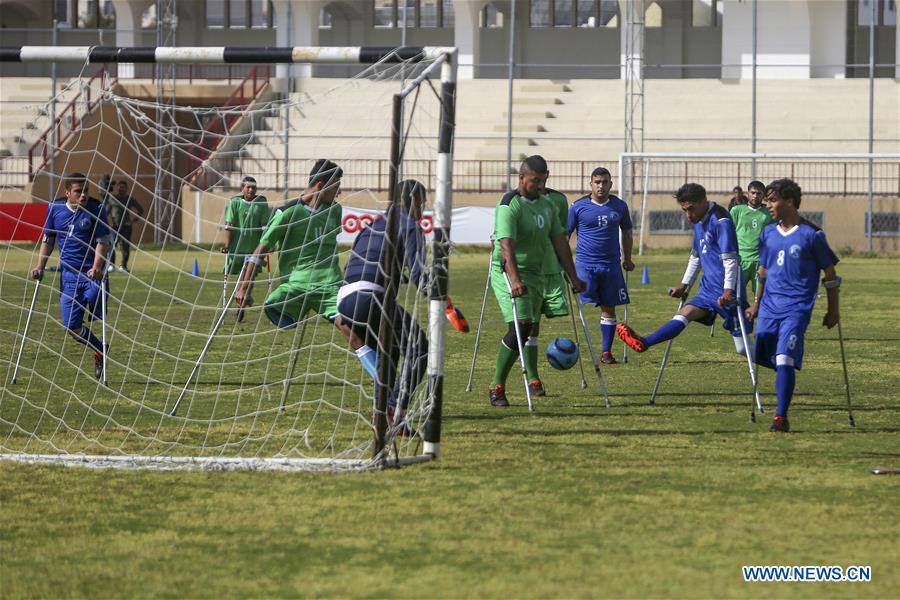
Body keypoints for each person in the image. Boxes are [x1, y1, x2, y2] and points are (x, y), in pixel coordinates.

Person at [233, 160, 368, 373]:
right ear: (321, 185)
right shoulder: (287, 213)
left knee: (353, 331)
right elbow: (259, 251)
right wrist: (244, 287)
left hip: (328, 286)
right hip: (295, 288)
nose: (339, 191)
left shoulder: (334, 210)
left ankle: (384, 385)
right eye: (335, 186)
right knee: (276, 305)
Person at [487, 155, 585, 408]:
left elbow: (560, 244)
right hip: (507, 270)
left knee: (530, 326)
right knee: (520, 326)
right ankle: (497, 386)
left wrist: (574, 278)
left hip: (536, 272)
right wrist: (516, 279)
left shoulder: (548, 206)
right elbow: (506, 244)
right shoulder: (510, 204)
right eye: (535, 181)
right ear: (521, 178)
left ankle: (531, 379)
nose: (540, 186)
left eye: (543, 181)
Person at [746, 179, 840, 433]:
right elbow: (763, 271)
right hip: (768, 308)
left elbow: (830, 274)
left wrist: (833, 310)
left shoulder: (812, 235)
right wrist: (756, 304)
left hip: (796, 308)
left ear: (789, 202)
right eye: (767, 201)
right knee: (767, 357)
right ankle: (783, 385)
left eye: (773, 200)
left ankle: (780, 417)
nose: (769, 205)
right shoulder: (768, 233)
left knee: (784, 358)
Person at [617, 183, 752, 358]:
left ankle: (780, 363)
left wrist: (728, 290)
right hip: (708, 290)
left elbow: (730, 260)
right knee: (685, 313)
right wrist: (684, 284)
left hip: (728, 293)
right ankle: (645, 342)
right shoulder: (698, 220)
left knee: (744, 349)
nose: (688, 215)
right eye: (684, 210)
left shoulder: (721, 221)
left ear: (704, 201)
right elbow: (696, 256)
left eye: (691, 209)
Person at [337, 179, 430, 433]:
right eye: (423, 203)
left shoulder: (372, 226)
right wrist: (437, 288)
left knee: (390, 352)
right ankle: (394, 408)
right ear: (414, 202)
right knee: (420, 347)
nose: (423, 209)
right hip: (369, 297)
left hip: (345, 300)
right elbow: (420, 276)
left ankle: (384, 415)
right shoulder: (410, 226)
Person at [30, 173, 111, 379]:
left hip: (93, 275)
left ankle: (99, 339)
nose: (83, 195)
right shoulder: (55, 209)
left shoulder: (97, 209)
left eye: (86, 191)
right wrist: (40, 265)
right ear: (67, 192)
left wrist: (96, 267)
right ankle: (100, 349)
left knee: (96, 307)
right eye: (78, 191)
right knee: (72, 327)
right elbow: (48, 238)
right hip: (68, 277)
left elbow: (102, 241)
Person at [567, 167, 635, 365]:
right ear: (590, 184)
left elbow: (628, 232)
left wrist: (628, 259)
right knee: (583, 305)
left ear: (610, 184)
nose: (601, 186)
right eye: (597, 182)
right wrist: (566, 265)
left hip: (611, 265)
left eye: (605, 182)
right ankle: (580, 347)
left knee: (609, 308)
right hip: (585, 266)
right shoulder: (577, 207)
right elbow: (565, 235)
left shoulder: (620, 206)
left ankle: (606, 352)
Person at [730, 180, 773, 300]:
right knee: (735, 297)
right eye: (753, 193)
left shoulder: (769, 212)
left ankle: (759, 318)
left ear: (763, 195)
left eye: (759, 193)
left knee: (761, 298)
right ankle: (737, 319)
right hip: (741, 260)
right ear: (747, 193)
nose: (755, 196)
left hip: (761, 261)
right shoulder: (737, 211)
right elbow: (729, 234)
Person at [105, 180, 145, 273]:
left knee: (125, 246)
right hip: (114, 226)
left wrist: (132, 220)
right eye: (119, 187)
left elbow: (141, 210)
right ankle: (111, 265)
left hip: (126, 227)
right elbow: (106, 211)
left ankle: (123, 266)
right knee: (112, 245)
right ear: (117, 188)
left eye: (123, 187)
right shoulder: (112, 198)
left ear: (127, 189)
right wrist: (108, 223)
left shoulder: (129, 199)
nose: (121, 189)